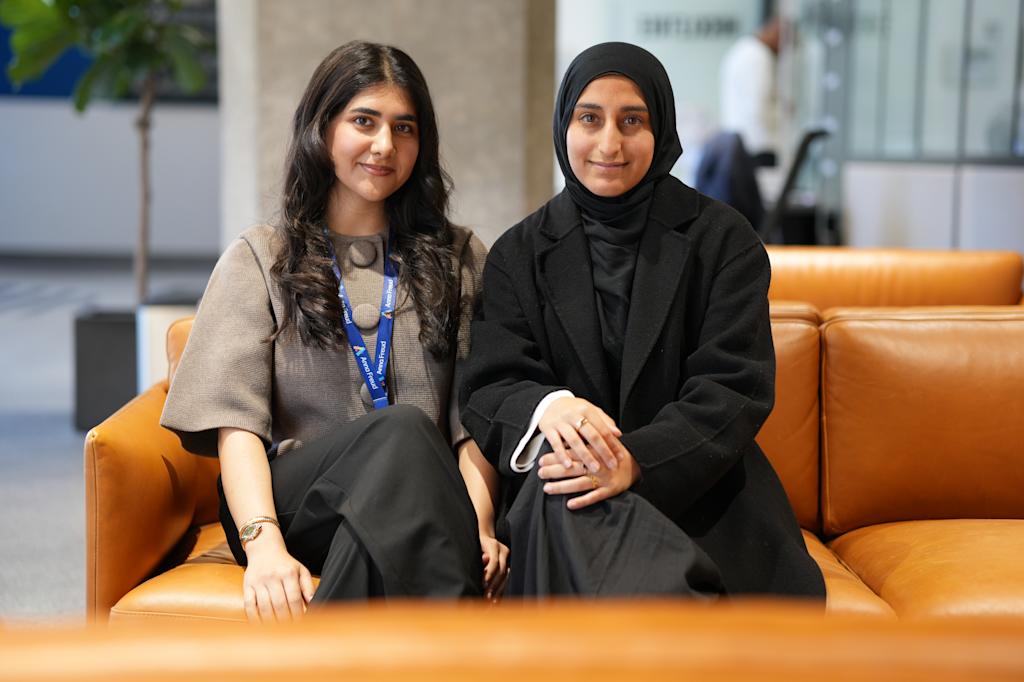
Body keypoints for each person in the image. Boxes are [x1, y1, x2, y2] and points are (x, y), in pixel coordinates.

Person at [459, 42, 825, 599]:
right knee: (564, 482)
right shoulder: (519, 253)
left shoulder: (723, 241)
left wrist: (634, 461)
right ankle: (679, 611)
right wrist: (550, 406)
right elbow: (491, 385)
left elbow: (734, 388)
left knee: (567, 492)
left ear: (662, 131)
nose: (609, 143)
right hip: (564, 490)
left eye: (633, 120)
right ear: (564, 127)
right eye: (590, 118)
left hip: (699, 491)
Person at [160, 41, 506, 622]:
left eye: (404, 128)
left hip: (419, 505)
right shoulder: (262, 257)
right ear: (322, 130)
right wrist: (264, 545)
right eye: (363, 122)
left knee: (390, 513)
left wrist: (480, 525)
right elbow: (236, 427)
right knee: (399, 432)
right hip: (289, 505)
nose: (384, 145)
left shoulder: (459, 257)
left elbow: (474, 421)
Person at [719, 13, 781, 166]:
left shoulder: (743, 49)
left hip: (741, 142)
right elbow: (759, 105)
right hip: (756, 144)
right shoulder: (759, 56)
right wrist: (782, 112)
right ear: (775, 30)